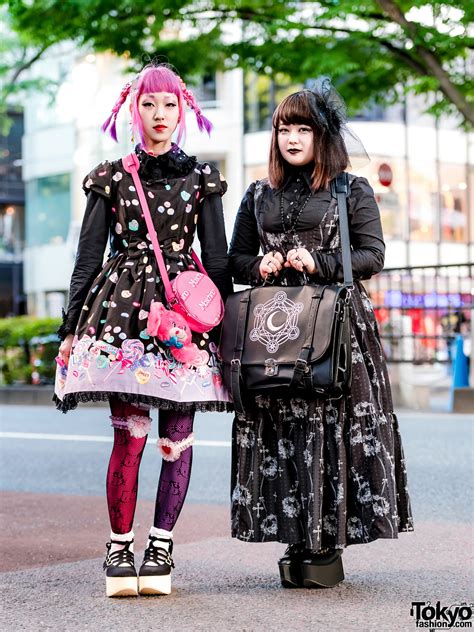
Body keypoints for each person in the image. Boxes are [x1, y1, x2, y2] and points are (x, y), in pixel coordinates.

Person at [54, 63, 232, 597]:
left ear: (183, 112)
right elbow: (88, 259)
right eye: (150, 104)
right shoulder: (110, 176)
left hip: (183, 317)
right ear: (134, 110)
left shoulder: (203, 179)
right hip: (122, 317)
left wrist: (224, 330)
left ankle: (161, 545)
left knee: (176, 439)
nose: (160, 115)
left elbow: (218, 260)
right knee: (128, 438)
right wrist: (69, 328)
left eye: (171, 105)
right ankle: (118, 545)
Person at [228, 81, 413, 589]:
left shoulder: (350, 189)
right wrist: (259, 263)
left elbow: (373, 256)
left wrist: (323, 261)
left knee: (330, 429)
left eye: (302, 128)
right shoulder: (257, 194)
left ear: (321, 134)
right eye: (283, 128)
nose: (291, 138)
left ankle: (326, 544)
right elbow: (234, 259)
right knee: (281, 431)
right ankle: (294, 540)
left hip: (338, 328)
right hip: (276, 328)